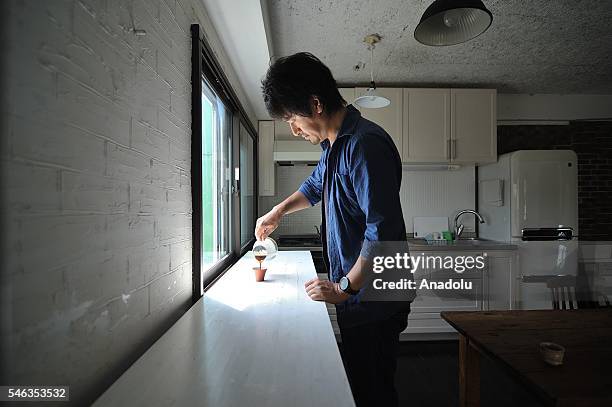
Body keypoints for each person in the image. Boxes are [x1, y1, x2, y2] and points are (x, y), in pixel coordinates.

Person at [256, 52, 413, 407]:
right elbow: (314, 187)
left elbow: (382, 232)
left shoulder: (363, 144)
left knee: (373, 391)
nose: (294, 129)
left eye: (293, 118)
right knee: (362, 383)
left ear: (315, 104)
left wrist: (344, 286)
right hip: (358, 292)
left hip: (374, 297)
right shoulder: (334, 145)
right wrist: (277, 212)